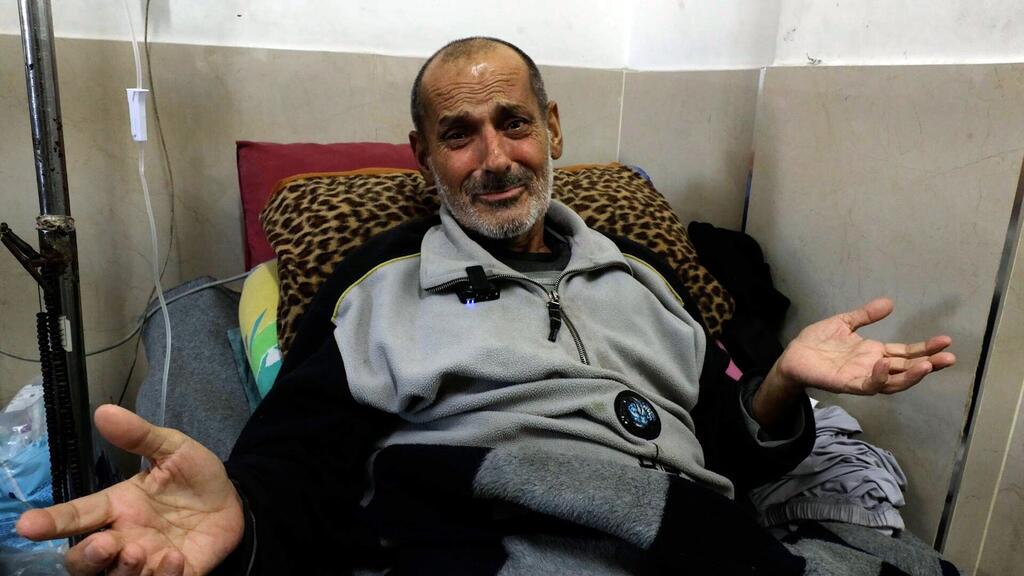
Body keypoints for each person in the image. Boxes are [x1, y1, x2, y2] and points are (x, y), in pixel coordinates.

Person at [17, 37, 955, 575]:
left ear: (553, 129)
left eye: (513, 123)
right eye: (459, 134)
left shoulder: (648, 277)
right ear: (423, 156)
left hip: (697, 547)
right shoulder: (374, 287)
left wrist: (782, 380)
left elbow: (728, 449)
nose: (495, 158)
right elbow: (295, 462)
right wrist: (241, 521)